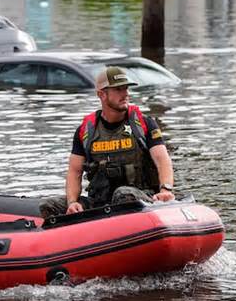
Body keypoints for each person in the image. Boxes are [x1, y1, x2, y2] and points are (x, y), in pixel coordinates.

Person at [40, 66, 175, 218]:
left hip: (140, 197)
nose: (125, 94)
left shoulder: (144, 124)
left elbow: (162, 160)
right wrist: (72, 202)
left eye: (126, 88)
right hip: (99, 202)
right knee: (49, 205)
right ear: (102, 94)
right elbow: (74, 171)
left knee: (123, 194)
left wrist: (166, 190)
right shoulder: (85, 131)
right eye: (118, 89)